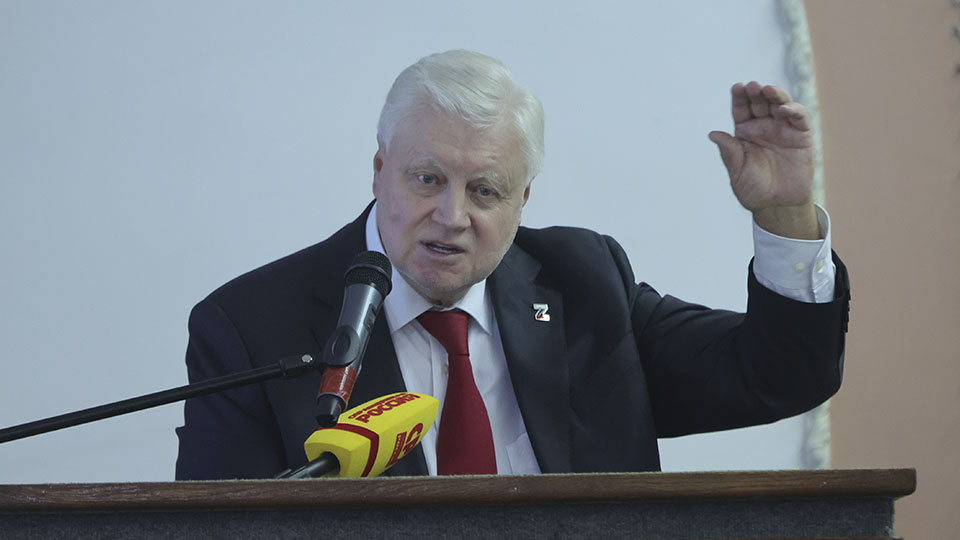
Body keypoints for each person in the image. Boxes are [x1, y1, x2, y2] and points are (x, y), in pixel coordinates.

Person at [175, 50, 849, 480]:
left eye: (485, 191)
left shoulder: (585, 283)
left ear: (524, 200)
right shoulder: (252, 328)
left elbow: (777, 377)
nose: (452, 215)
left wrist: (785, 214)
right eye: (427, 180)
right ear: (379, 170)